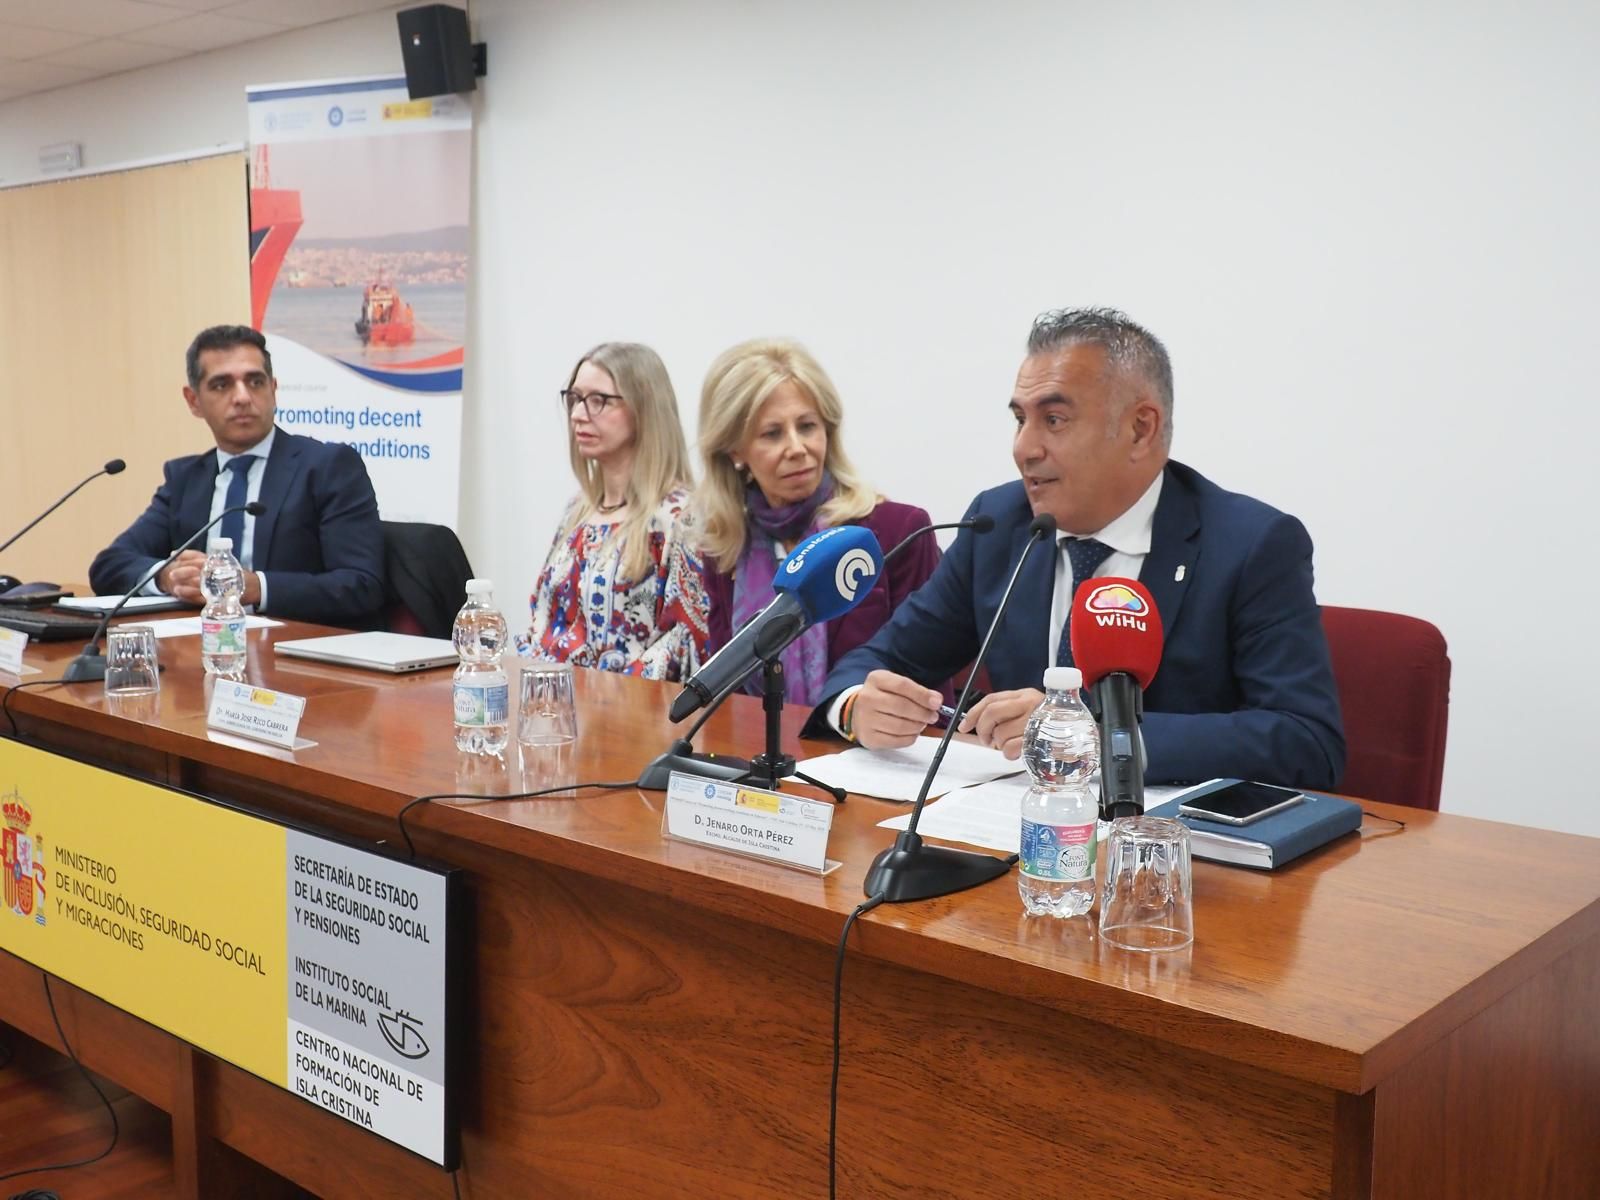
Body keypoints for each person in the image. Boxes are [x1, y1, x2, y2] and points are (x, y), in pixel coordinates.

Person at [813, 308, 1345, 790]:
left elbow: (1305, 740)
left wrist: (1091, 735)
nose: (1024, 448)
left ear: (1141, 429)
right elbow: (877, 661)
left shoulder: (1250, 545)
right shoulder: (1000, 526)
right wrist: (856, 705)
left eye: (1055, 420)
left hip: (1177, 861)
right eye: (1020, 418)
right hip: (1014, 830)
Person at [697, 338, 944, 708]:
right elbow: (723, 698)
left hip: (873, 756)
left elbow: (929, 682)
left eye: (807, 426)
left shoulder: (898, 531)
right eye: (772, 433)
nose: (797, 448)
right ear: (735, 451)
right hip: (758, 754)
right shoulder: (725, 551)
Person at [88, 325, 384, 628]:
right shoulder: (185, 479)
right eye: (221, 385)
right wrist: (168, 577)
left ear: (273, 390)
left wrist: (253, 587)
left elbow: (361, 585)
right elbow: (109, 565)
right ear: (194, 401)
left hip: (293, 653)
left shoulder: (326, 468)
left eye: (255, 382)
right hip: (199, 649)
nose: (242, 397)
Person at [522, 342, 708, 680]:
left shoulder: (679, 519)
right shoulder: (577, 510)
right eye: (575, 399)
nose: (578, 414)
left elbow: (686, 648)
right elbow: (541, 624)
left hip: (630, 721)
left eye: (598, 400)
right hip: (552, 713)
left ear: (644, 408)